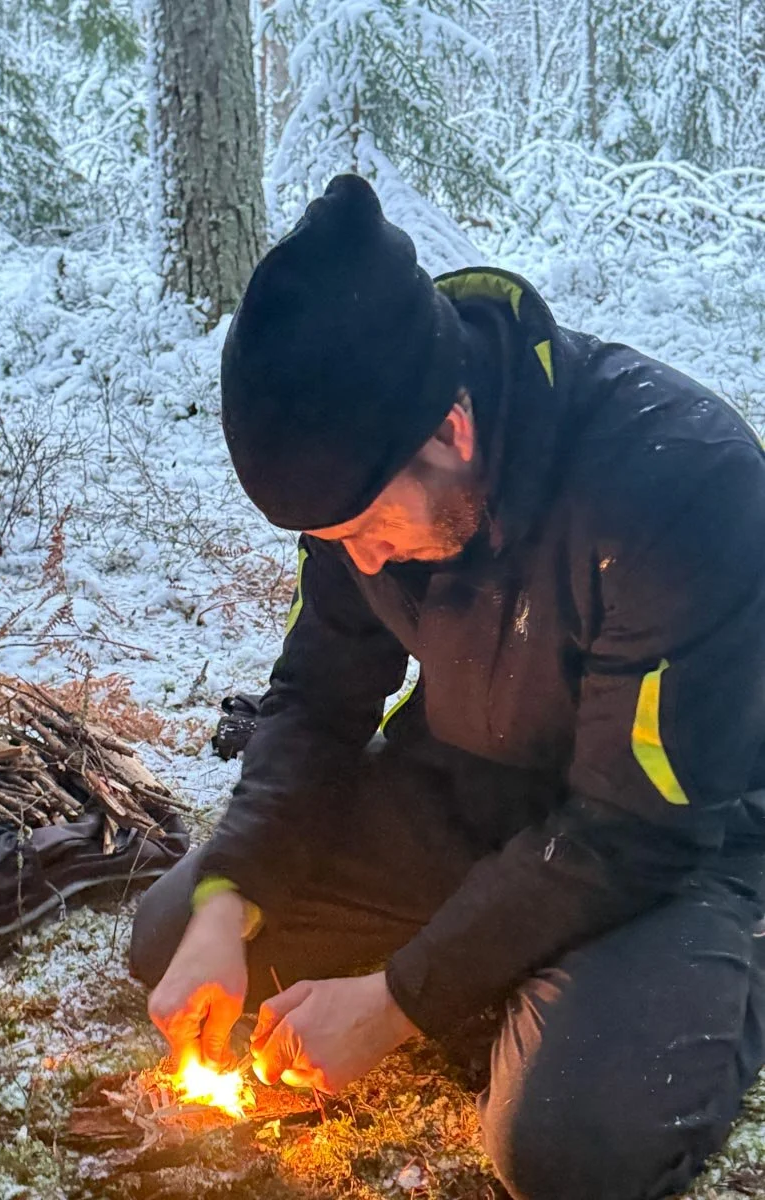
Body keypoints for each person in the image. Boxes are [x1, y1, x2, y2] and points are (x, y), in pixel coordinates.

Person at [130, 174, 765, 1200]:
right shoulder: (366, 487)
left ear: (452, 433)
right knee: (176, 935)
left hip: (671, 841)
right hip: (468, 792)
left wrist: (398, 1001)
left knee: (567, 1148)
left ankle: (716, 979)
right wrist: (228, 894)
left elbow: (632, 828)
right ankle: (507, 968)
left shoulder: (683, 486)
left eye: (366, 528)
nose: (364, 563)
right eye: (333, 543)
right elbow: (317, 702)